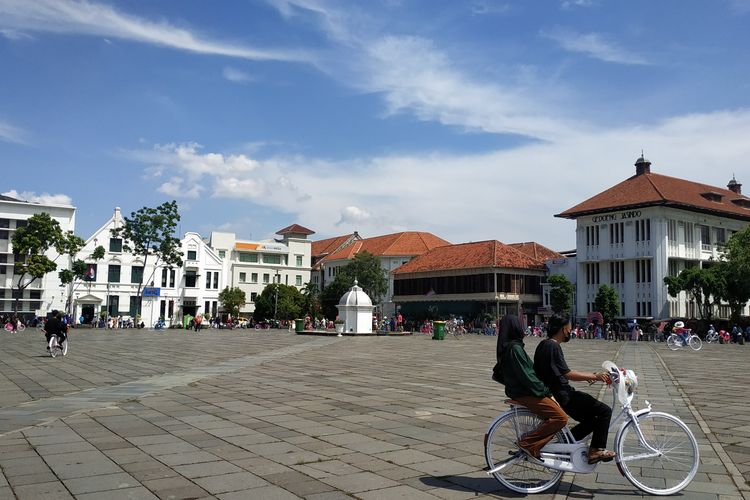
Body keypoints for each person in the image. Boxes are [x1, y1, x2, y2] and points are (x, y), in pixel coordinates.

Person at [534, 313, 615, 464]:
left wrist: (590, 376)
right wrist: (595, 376)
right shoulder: (552, 346)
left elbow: (560, 372)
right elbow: (567, 373)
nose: (570, 332)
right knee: (605, 411)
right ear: (563, 329)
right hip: (564, 395)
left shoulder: (544, 345)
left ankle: (563, 446)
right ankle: (596, 450)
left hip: (559, 392)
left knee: (591, 421)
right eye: (569, 329)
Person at [492, 315, 567, 461]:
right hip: (526, 393)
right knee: (561, 418)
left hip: (520, 391)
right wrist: (546, 392)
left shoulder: (509, 347)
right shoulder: (515, 349)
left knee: (554, 417)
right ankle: (528, 444)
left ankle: (535, 444)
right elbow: (528, 377)